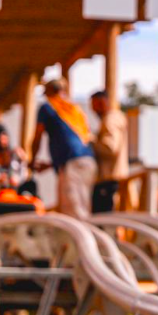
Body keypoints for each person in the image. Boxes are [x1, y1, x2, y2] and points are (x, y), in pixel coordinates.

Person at [31, 78, 96, 219]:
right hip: (87, 162)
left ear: (49, 92)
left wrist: (31, 161)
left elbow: (37, 137)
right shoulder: (75, 110)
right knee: (80, 205)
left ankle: (82, 241)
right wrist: (50, 165)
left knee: (74, 211)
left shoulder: (48, 107)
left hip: (72, 165)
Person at [89, 90, 128, 213]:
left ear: (102, 103)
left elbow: (110, 148)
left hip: (108, 177)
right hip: (110, 177)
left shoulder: (110, 120)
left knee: (103, 218)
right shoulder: (114, 118)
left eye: (94, 106)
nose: (94, 110)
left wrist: (91, 141)